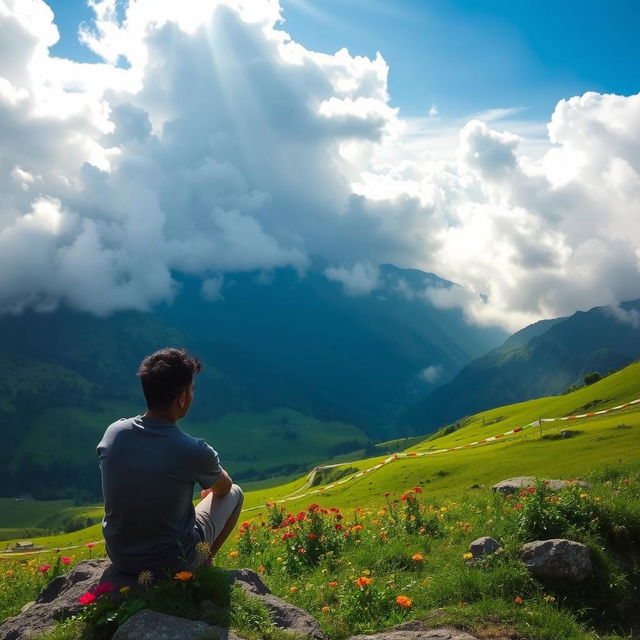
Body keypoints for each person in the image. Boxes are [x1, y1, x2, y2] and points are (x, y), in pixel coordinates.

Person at [97, 348, 244, 576]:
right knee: (236, 493)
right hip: (172, 561)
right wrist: (208, 476)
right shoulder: (192, 449)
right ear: (182, 398)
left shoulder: (113, 433)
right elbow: (224, 487)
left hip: (120, 558)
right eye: (192, 390)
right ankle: (202, 566)